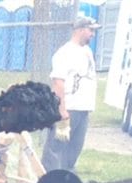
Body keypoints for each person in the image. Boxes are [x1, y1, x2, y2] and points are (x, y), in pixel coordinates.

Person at [42, 16, 99, 172]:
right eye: (90, 30)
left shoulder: (87, 51)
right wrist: (62, 110)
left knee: (74, 148)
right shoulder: (64, 53)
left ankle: (67, 180)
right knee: (56, 147)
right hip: (68, 108)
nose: (92, 34)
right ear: (80, 30)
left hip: (83, 109)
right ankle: (50, 181)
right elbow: (58, 83)